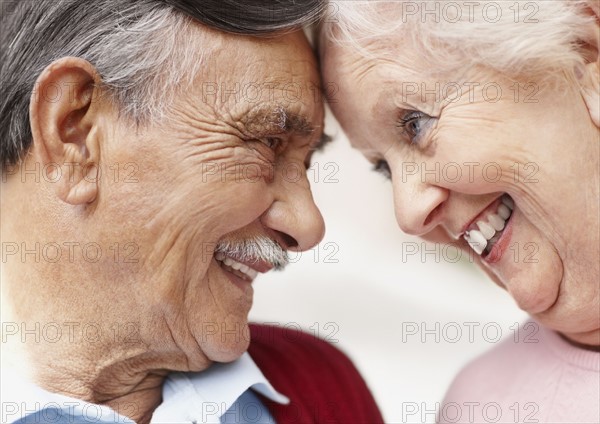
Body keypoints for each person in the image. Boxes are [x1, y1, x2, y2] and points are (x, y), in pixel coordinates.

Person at [0, 1, 384, 423]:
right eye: (267, 142)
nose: (309, 226)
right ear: (74, 133)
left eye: (306, 163)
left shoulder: (320, 386)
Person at [320, 0, 600, 422]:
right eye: (383, 169)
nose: (408, 214)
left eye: (417, 124)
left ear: (583, 55)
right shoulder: (477, 407)